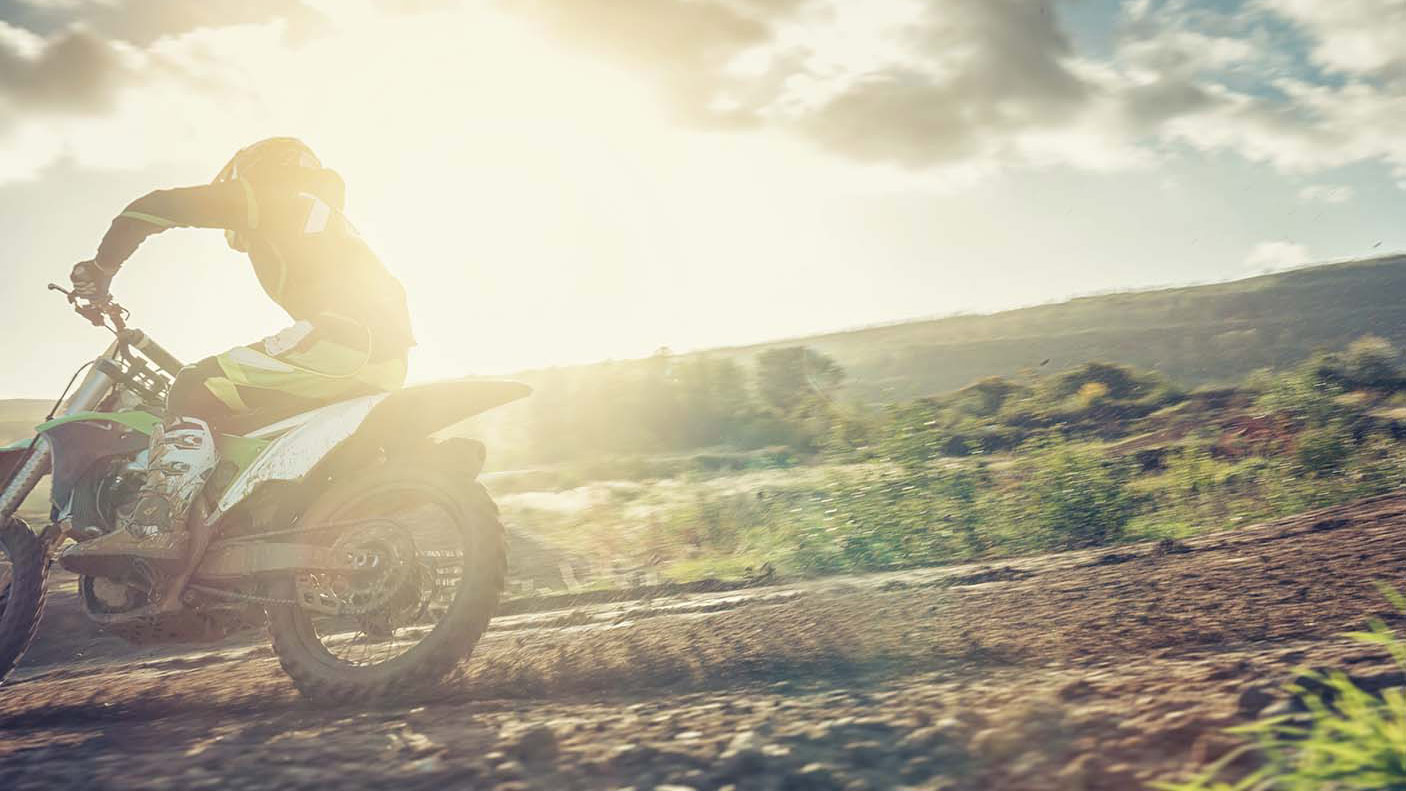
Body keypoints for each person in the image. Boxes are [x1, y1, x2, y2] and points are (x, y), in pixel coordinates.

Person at [60, 138, 413, 582]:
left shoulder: (273, 196)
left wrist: (101, 269)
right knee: (240, 414)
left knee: (194, 385)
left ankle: (154, 526)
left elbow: (154, 208)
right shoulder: (323, 217)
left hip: (343, 342)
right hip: (384, 359)